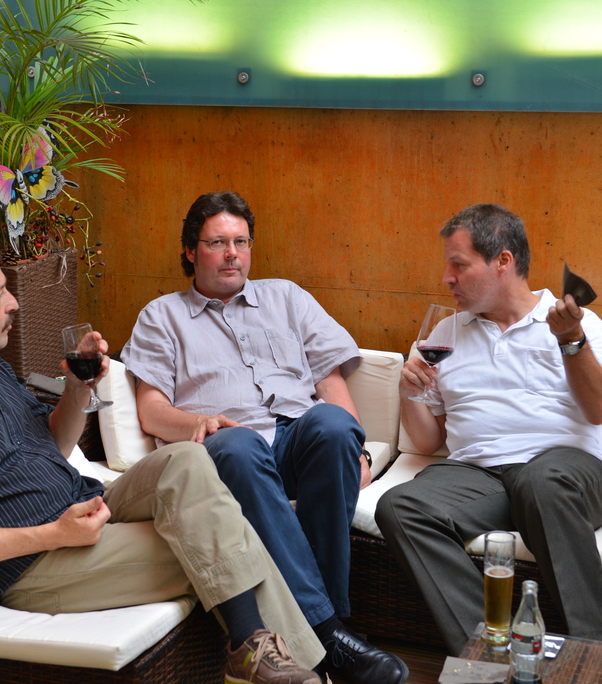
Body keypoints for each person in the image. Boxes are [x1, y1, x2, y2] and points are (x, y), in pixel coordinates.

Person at [0, 231, 325, 684]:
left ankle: (262, 657)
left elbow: (53, 445)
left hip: (86, 505)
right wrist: (55, 534)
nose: (14, 303)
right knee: (220, 537)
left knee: (186, 459)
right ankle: (289, 664)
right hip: (34, 564)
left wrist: (79, 389)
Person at [122, 191, 408, 684]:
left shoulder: (286, 298)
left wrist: (357, 449)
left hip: (295, 441)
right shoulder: (161, 316)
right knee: (239, 445)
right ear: (190, 250)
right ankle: (330, 633)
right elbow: (150, 408)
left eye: (241, 242)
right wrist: (198, 424)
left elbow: (329, 380)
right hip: (230, 446)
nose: (232, 254)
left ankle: (324, 631)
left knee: (333, 425)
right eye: (217, 242)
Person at [374, 203, 602, 655]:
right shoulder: (444, 333)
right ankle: (494, 654)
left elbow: (599, 409)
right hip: (480, 477)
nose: (447, 278)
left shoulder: (573, 323)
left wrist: (571, 341)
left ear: (502, 261)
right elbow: (428, 441)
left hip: (565, 474)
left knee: (540, 483)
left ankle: (596, 658)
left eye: (458, 265)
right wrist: (410, 393)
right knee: (400, 505)